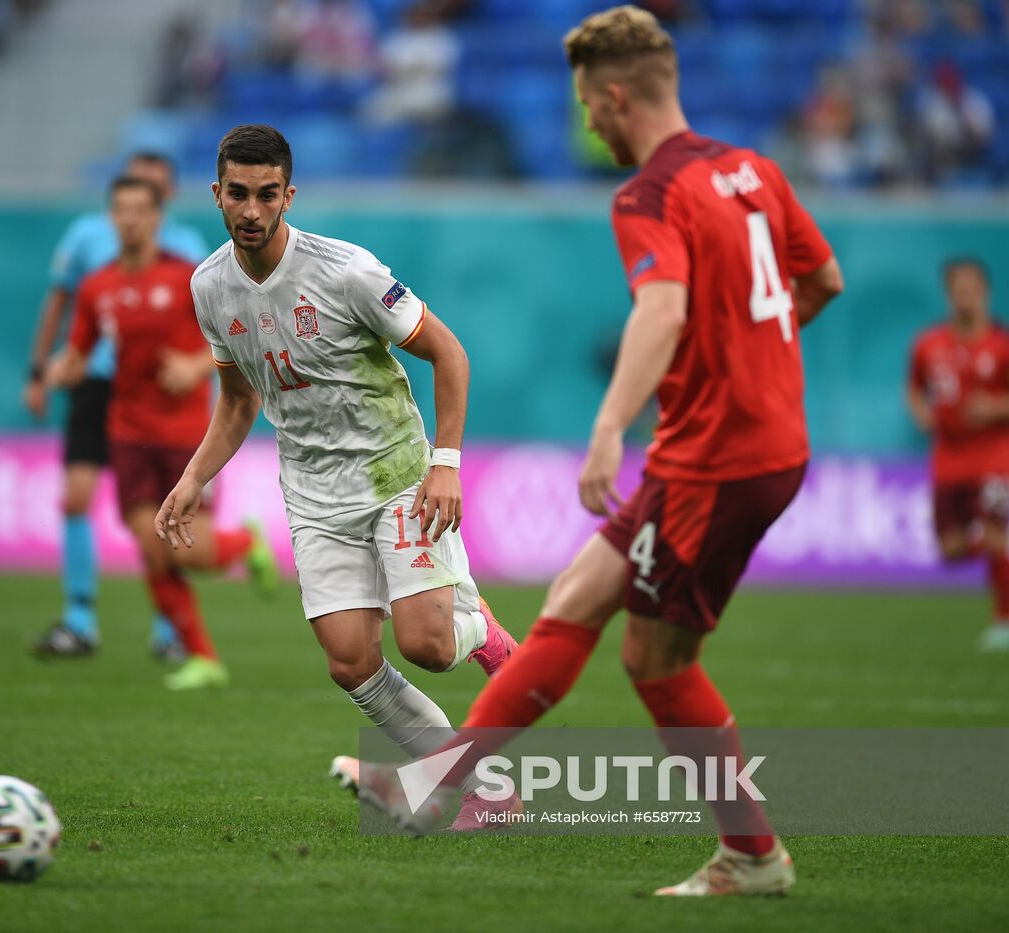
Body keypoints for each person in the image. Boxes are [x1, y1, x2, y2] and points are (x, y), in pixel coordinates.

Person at [340, 5, 845, 895]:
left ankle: (754, 854)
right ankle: (440, 783)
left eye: (585, 106)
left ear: (615, 98)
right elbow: (823, 279)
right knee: (575, 598)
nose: (587, 124)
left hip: (716, 459)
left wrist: (610, 426)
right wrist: (745, 358)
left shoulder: (649, 194)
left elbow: (663, 308)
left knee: (657, 662)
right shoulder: (754, 171)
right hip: (751, 443)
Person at [154, 125, 518, 785]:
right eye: (238, 194)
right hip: (315, 495)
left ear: (288, 196)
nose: (252, 210)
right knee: (350, 662)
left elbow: (448, 353)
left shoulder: (346, 271)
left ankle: (482, 632)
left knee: (428, 646)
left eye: (267, 194)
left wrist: (446, 463)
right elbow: (238, 401)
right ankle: (476, 787)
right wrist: (193, 477)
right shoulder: (209, 287)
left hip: (395, 474)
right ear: (216, 194)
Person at [46, 176, 278, 690]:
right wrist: (62, 369)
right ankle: (203, 657)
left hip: (186, 436)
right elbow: (79, 351)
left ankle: (246, 542)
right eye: (121, 210)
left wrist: (196, 367)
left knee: (189, 553)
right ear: (112, 218)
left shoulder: (188, 279)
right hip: (128, 433)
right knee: (153, 549)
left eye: (140, 210)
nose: (130, 220)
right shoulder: (97, 287)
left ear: (157, 218)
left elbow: (235, 337)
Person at [26, 152, 209, 660]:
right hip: (98, 382)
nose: (134, 210)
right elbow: (61, 303)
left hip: (162, 394)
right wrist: (42, 370)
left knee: (168, 525)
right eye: (129, 194)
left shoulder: (188, 250)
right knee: (76, 498)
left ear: (165, 198)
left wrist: (196, 372)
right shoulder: (88, 238)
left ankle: (168, 630)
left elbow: (217, 332)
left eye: (152, 190)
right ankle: (79, 620)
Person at [907, 258, 1009, 653]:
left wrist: (996, 408)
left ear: (985, 291)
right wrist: (921, 412)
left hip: (995, 457)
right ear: (949, 294)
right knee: (950, 549)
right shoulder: (929, 344)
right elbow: (914, 388)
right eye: (958, 290)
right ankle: (996, 542)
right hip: (948, 459)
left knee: (997, 535)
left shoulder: (1001, 345)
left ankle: (1003, 622)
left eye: (971, 289)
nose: (965, 297)